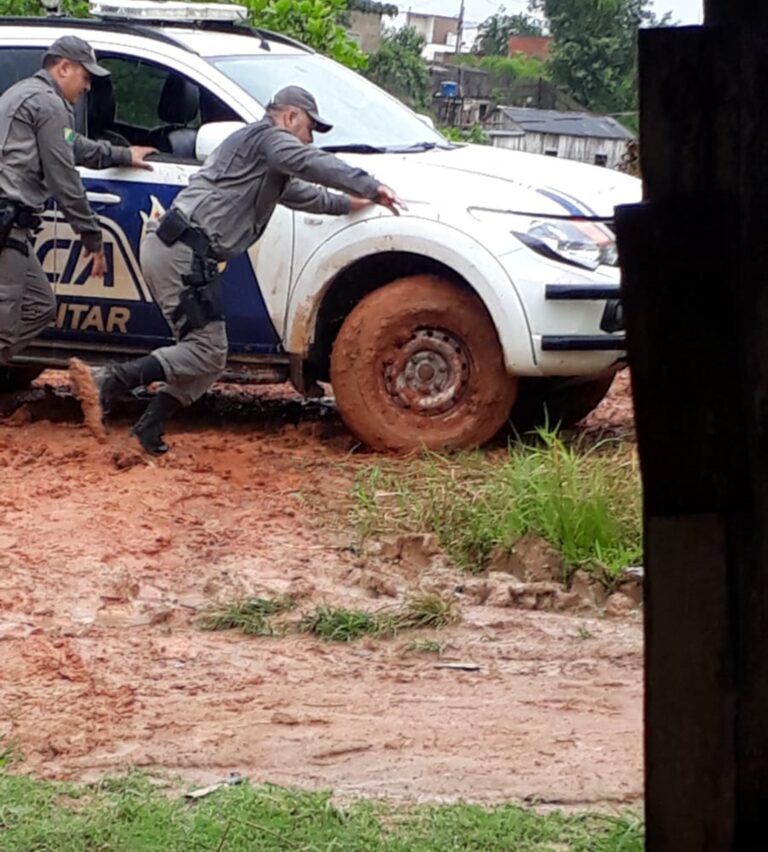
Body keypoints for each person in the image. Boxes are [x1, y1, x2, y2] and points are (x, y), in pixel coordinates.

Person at [72, 85, 405, 455]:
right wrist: (371, 186)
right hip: (182, 250)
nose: (310, 140)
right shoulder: (268, 139)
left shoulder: (261, 158)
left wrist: (347, 203)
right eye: (310, 129)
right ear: (290, 117)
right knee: (206, 351)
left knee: (209, 357)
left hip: (182, 249)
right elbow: (312, 164)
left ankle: (147, 432)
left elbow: (303, 193)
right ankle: (108, 381)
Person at [0, 36, 155, 367]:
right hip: (6, 222)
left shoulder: (29, 96)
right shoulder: (48, 105)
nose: (87, 87)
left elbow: (72, 144)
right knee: (3, 329)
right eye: (85, 77)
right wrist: (90, 234)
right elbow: (63, 177)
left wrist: (122, 154)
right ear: (64, 67)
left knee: (40, 306)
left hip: (13, 228)